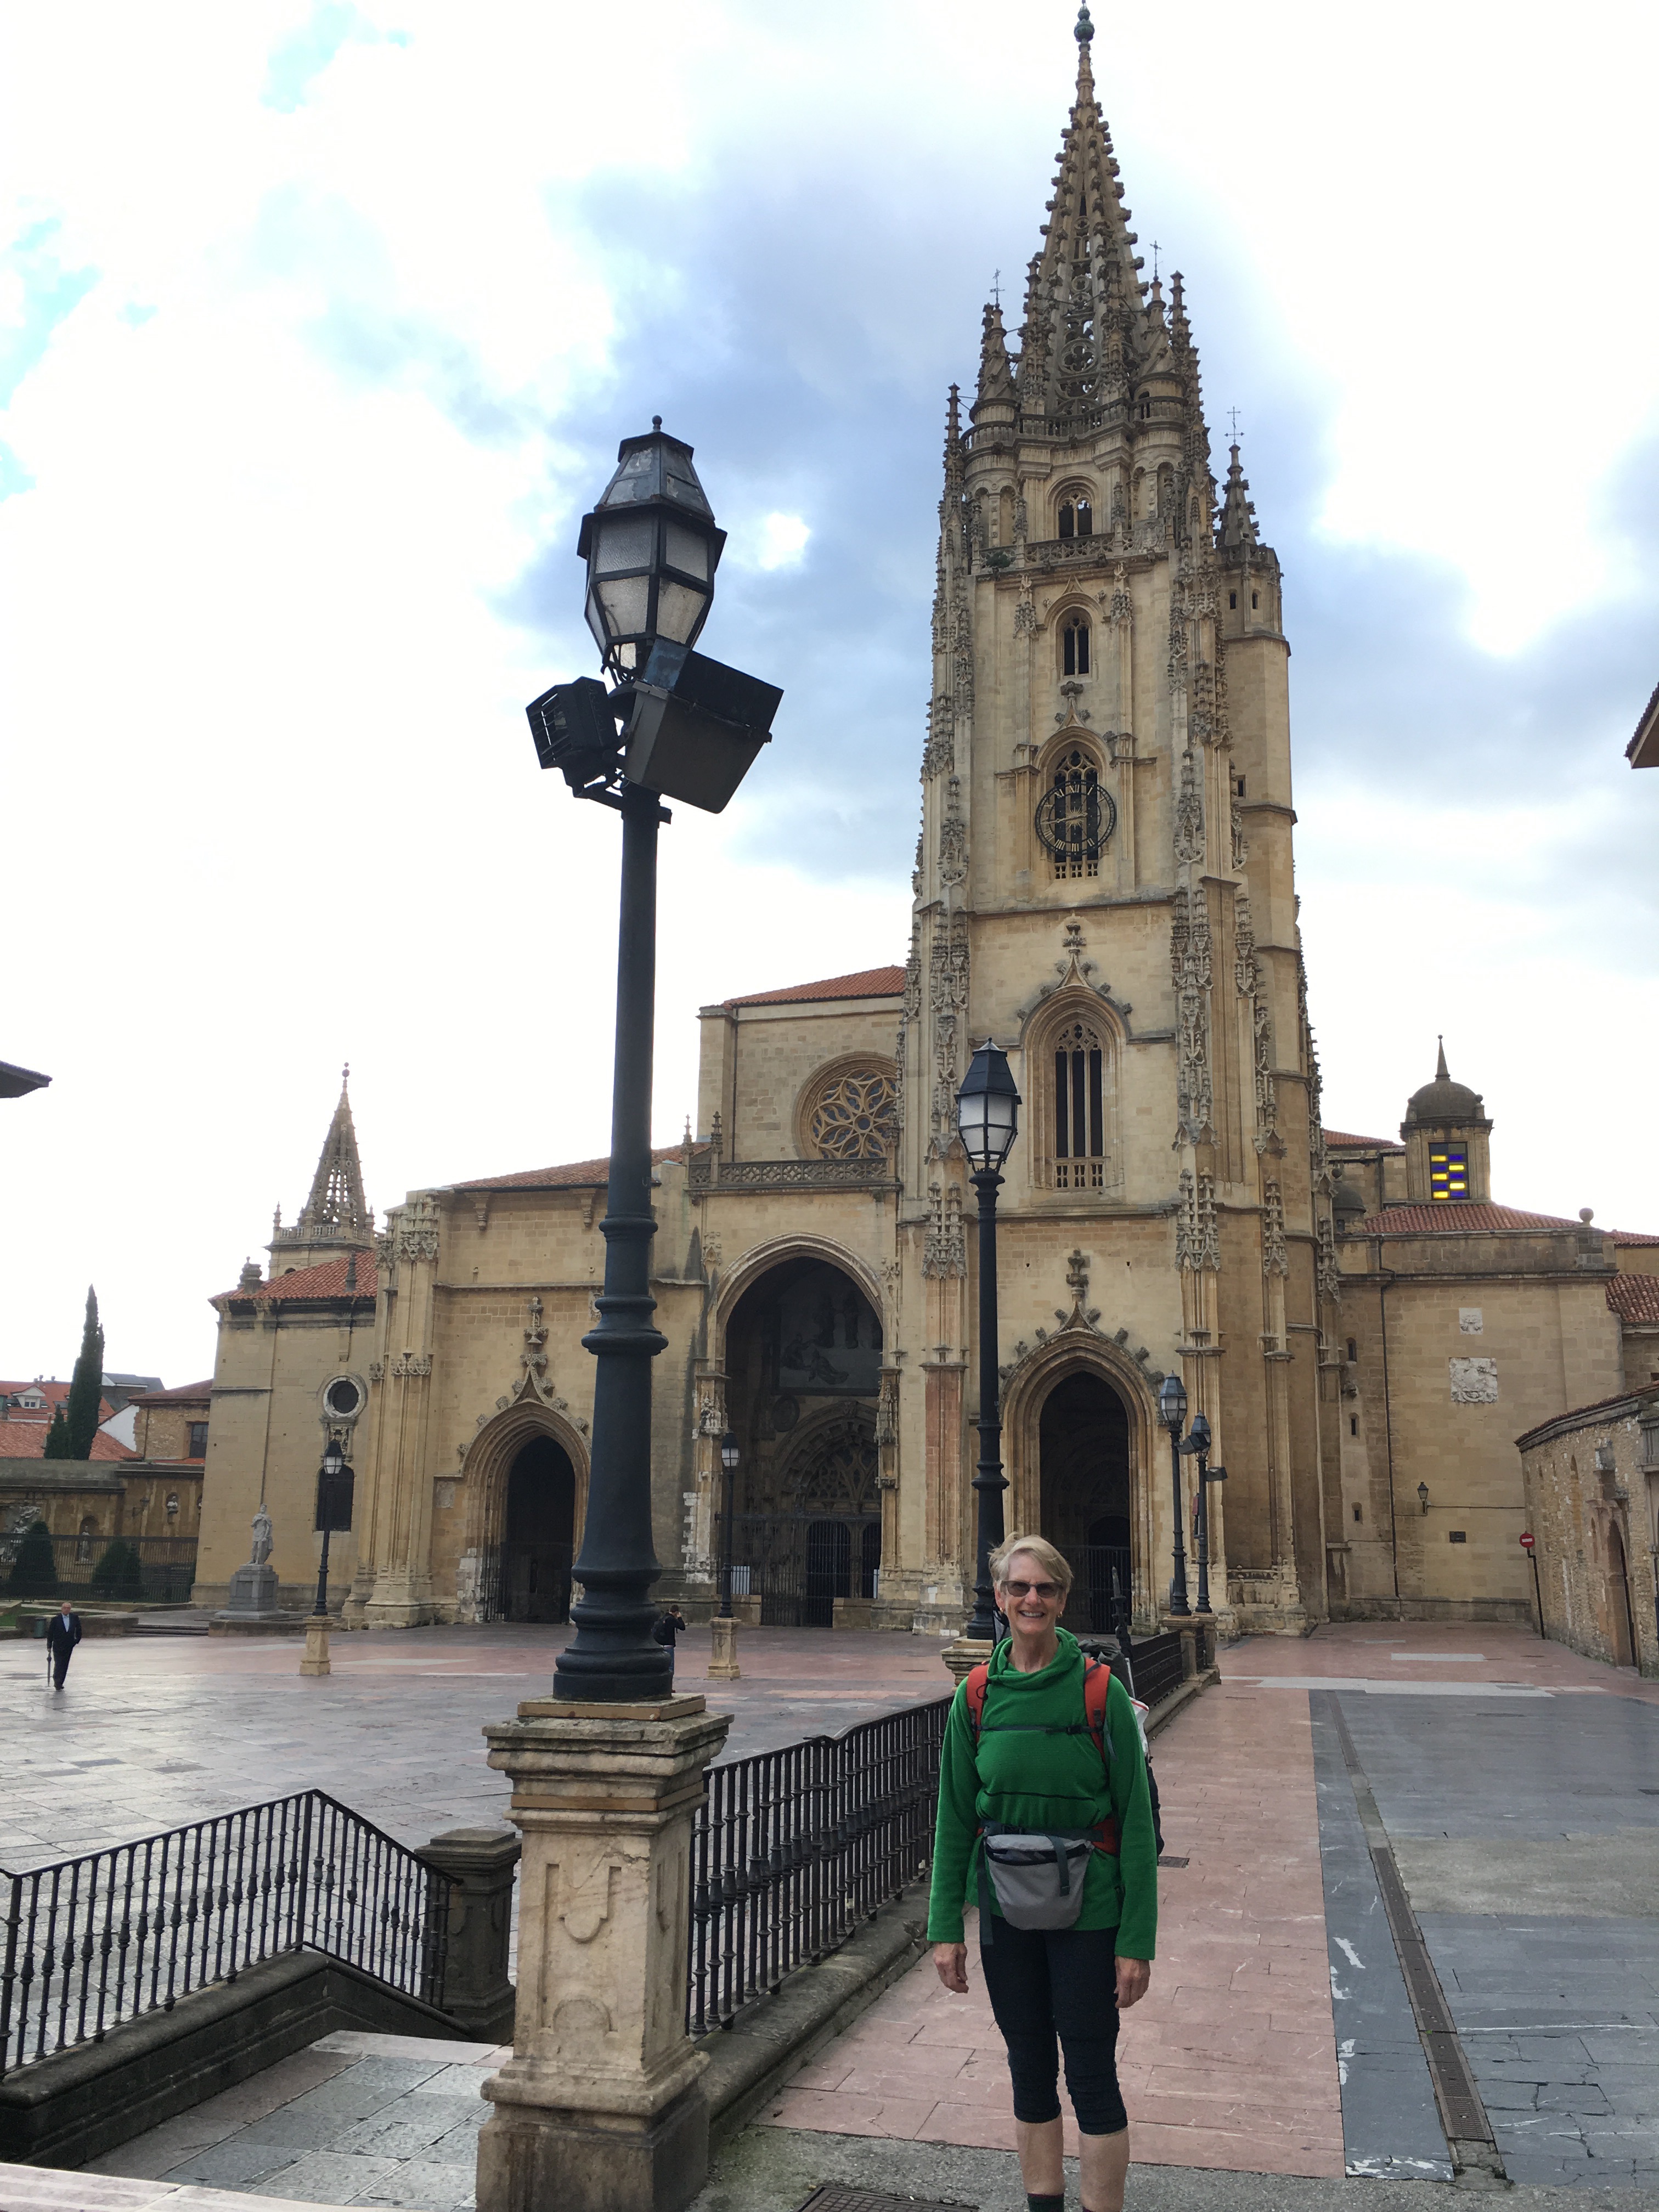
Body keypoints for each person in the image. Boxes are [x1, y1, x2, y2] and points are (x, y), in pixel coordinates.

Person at [929, 1535, 1156, 2212]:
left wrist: (1136, 1941)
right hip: (1007, 1911)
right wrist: (945, 1928)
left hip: (1090, 1911)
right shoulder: (975, 1696)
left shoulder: (1101, 1693)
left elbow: (1135, 1824)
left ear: (1062, 1599)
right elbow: (953, 1819)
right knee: (1028, 2068)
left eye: (1046, 1589)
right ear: (1000, 1598)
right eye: (1020, 1588)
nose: (1032, 1599)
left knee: (1090, 2072)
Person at [46, 1599, 82, 1691]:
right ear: (62, 1609)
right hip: (58, 1645)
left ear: (70, 1609)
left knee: (65, 1664)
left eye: (68, 1608)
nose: (66, 1610)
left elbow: (79, 1630)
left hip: (69, 1645)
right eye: (65, 1608)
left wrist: (76, 1641)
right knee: (59, 1663)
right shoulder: (56, 1619)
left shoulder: (74, 1618)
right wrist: (49, 1645)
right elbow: (51, 1633)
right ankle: (57, 1681)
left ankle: (61, 1682)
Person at [653, 1604, 687, 1683]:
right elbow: (682, 1627)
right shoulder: (672, 1619)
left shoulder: (663, 1618)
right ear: (676, 1612)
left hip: (661, 1645)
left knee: (662, 1666)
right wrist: (680, 1618)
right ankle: (669, 1685)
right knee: (670, 1667)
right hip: (669, 1645)